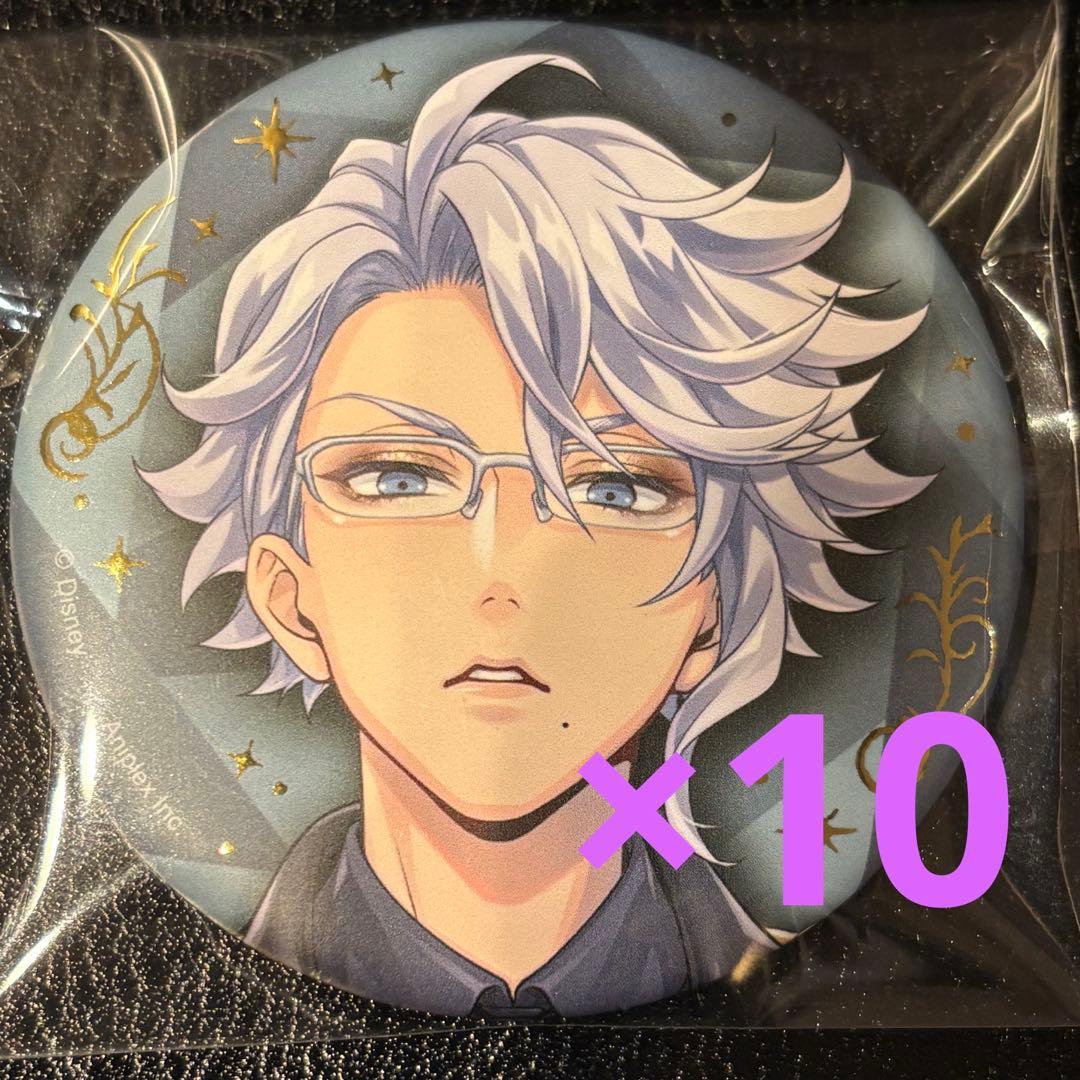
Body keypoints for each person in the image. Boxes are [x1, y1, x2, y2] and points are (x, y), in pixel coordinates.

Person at [141, 52, 931, 1017]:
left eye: (613, 488)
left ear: (710, 612)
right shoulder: (179, 994)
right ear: (287, 595)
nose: (503, 570)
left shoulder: (818, 989)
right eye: (397, 479)